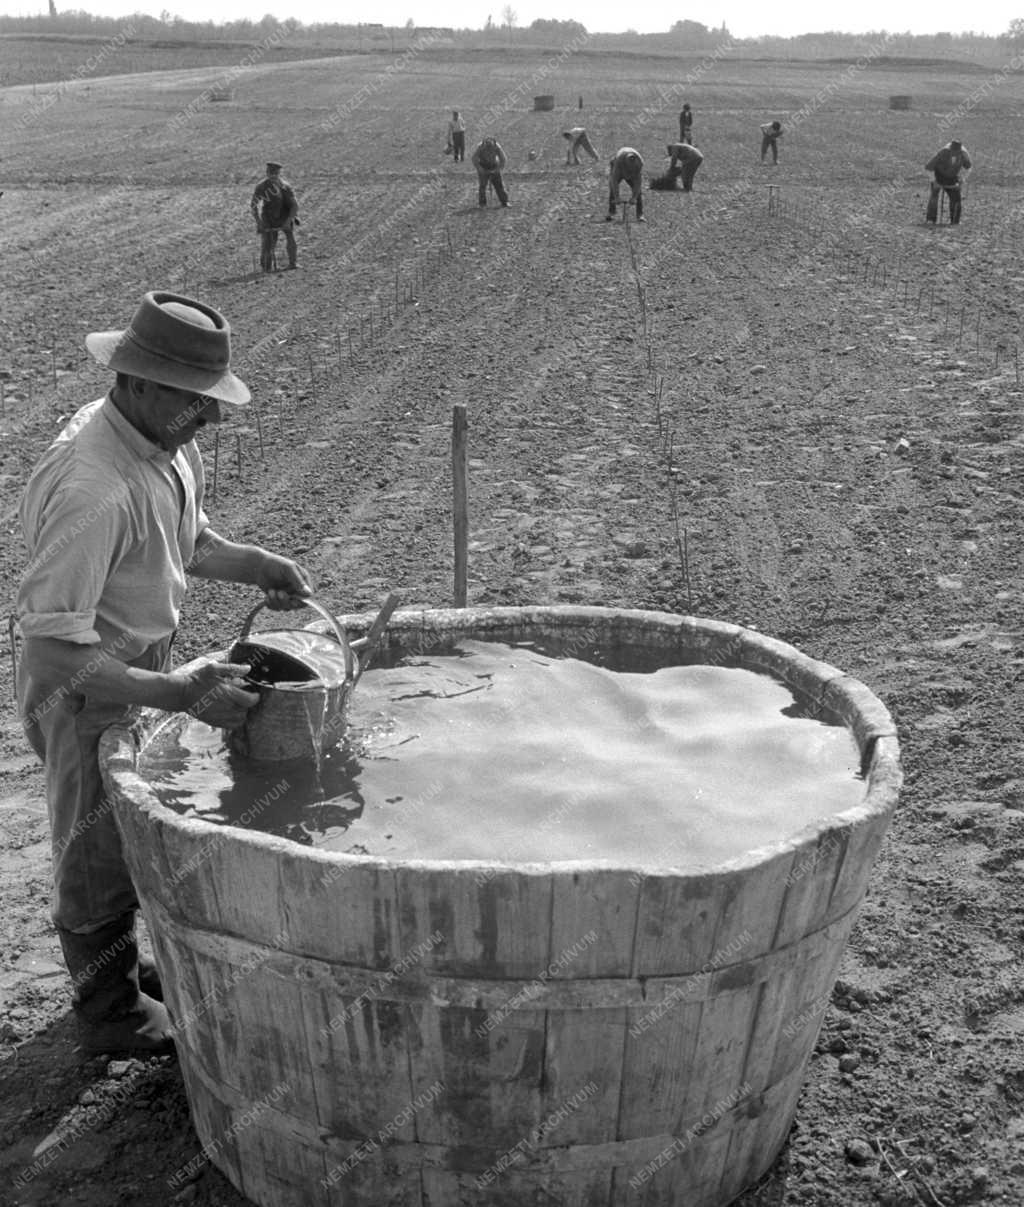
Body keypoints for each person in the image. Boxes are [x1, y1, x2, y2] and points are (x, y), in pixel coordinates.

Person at [15, 291, 313, 1055]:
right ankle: (106, 1011)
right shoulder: (92, 486)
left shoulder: (164, 440)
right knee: (93, 843)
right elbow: (51, 655)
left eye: (212, 401)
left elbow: (188, 537)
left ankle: (120, 968)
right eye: (197, 400)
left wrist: (256, 564)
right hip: (83, 684)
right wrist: (175, 691)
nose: (212, 418)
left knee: (125, 820)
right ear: (137, 380)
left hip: (131, 662)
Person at [250, 160, 299, 271]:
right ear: (267, 173)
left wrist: (288, 221)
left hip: (285, 215)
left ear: (278, 173)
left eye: (275, 173)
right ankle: (266, 267)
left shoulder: (285, 186)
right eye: (270, 173)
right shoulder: (261, 186)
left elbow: (295, 206)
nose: (273, 175)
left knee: (290, 236)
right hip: (268, 217)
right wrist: (259, 222)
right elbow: (253, 206)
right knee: (268, 241)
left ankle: (293, 263)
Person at [925, 138, 971, 225]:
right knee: (934, 197)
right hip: (939, 176)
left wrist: (962, 180)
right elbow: (928, 168)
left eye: (957, 152)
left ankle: (955, 221)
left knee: (956, 198)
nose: (954, 153)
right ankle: (931, 219)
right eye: (953, 151)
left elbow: (969, 168)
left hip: (953, 177)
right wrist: (934, 181)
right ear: (950, 149)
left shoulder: (964, 154)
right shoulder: (943, 152)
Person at [607, 147, 645, 222]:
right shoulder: (618, 161)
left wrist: (634, 197)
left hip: (632, 174)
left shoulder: (639, 163)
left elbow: (638, 182)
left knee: (639, 192)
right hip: (618, 170)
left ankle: (640, 215)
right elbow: (614, 181)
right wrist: (617, 197)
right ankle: (611, 212)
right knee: (612, 189)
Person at [471, 137, 509, 207]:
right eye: (487, 148)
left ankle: (504, 202)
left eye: (490, 148)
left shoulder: (497, 146)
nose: (489, 150)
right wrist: (480, 169)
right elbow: (474, 158)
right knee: (482, 186)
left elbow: (503, 159)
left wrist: (498, 169)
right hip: (483, 165)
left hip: (494, 165)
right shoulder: (480, 147)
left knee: (499, 185)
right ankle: (482, 204)